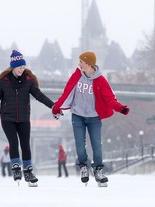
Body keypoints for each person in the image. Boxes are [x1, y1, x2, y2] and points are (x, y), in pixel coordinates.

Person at [0, 50, 54, 186]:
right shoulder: (2, 82)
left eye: (23, 67)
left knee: (25, 144)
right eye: (20, 67)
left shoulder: (29, 81)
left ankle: (28, 172)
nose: (22, 70)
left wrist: (54, 107)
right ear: (13, 67)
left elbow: (39, 96)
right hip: (7, 118)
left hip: (24, 118)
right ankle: (16, 168)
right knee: (13, 142)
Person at [52, 51, 130, 186]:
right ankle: (83, 166)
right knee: (80, 144)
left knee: (97, 146)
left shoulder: (100, 80)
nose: (79, 64)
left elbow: (110, 98)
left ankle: (98, 170)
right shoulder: (76, 76)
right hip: (77, 115)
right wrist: (56, 107)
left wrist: (121, 108)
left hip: (94, 118)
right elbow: (66, 92)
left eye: (81, 62)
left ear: (88, 63)